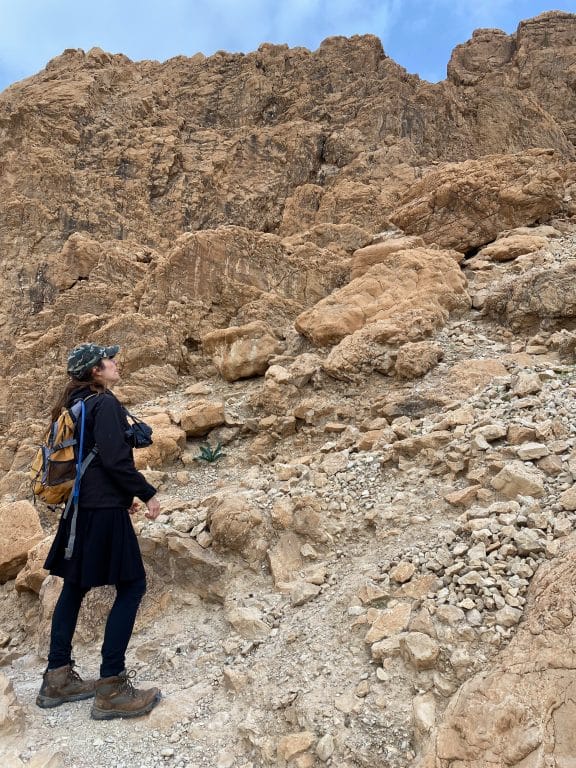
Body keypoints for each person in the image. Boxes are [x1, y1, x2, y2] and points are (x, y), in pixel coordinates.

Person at [36, 343, 162, 720]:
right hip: (102, 511)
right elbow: (114, 459)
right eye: (109, 360)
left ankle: (57, 677)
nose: (116, 362)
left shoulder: (74, 405)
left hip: (80, 510)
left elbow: (93, 462)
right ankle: (111, 687)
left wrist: (122, 496)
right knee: (133, 585)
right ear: (95, 370)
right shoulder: (103, 404)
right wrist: (145, 493)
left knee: (75, 587)